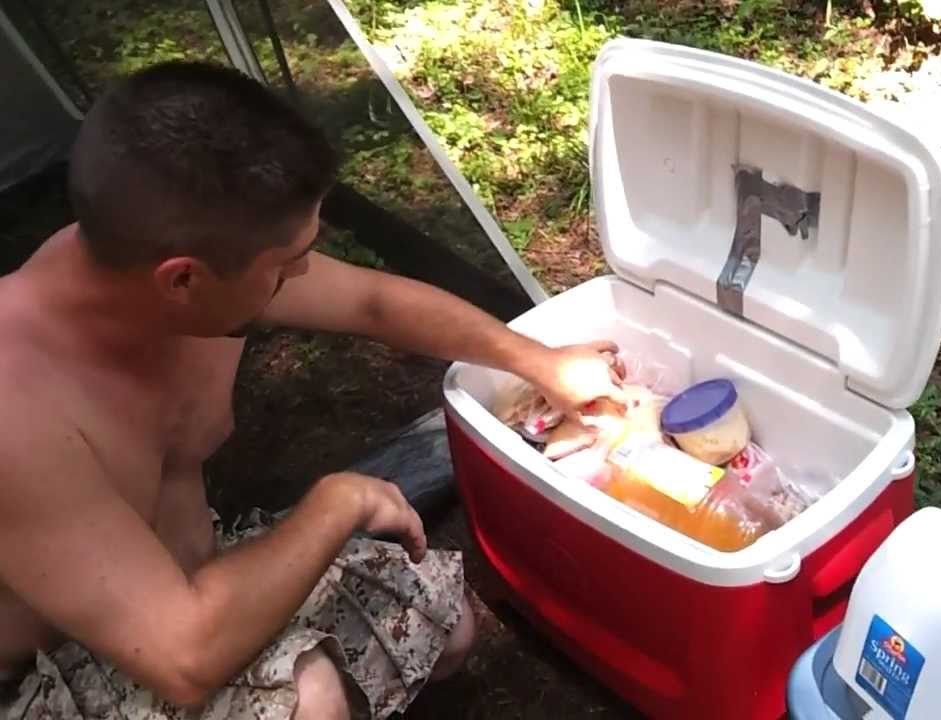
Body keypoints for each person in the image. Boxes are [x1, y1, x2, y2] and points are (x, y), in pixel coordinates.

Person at [0, 61, 626, 720]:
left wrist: (541, 362)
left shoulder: (179, 273)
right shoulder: (20, 409)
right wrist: (338, 502)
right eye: (283, 265)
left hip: (196, 583)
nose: (303, 272)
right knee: (310, 698)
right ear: (182, 280)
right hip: (61, 670)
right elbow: (182, 657)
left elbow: (374, 303)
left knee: (444, 623)